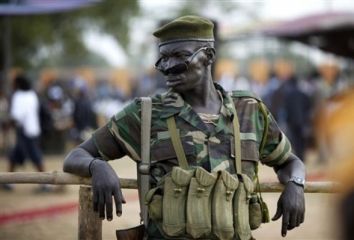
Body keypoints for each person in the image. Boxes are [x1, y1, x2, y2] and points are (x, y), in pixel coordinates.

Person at [63, 15, 305, 239]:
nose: (168, 66)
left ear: (208, 56)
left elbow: (289, 162)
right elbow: (76, 156)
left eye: (179, 56)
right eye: (163, 59)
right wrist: (97, 166)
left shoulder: (249, 111)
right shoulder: (145, 114)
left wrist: (296, 183)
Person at [3, 74, 48, 192]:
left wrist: (7, 124)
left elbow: (17, 116)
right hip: (33, 130)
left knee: (35, 157)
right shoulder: (32, 94)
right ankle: (8, 182)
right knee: (14, 157)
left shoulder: (19, 96)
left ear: (17, 84)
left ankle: (46, 184)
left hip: (24, 132)